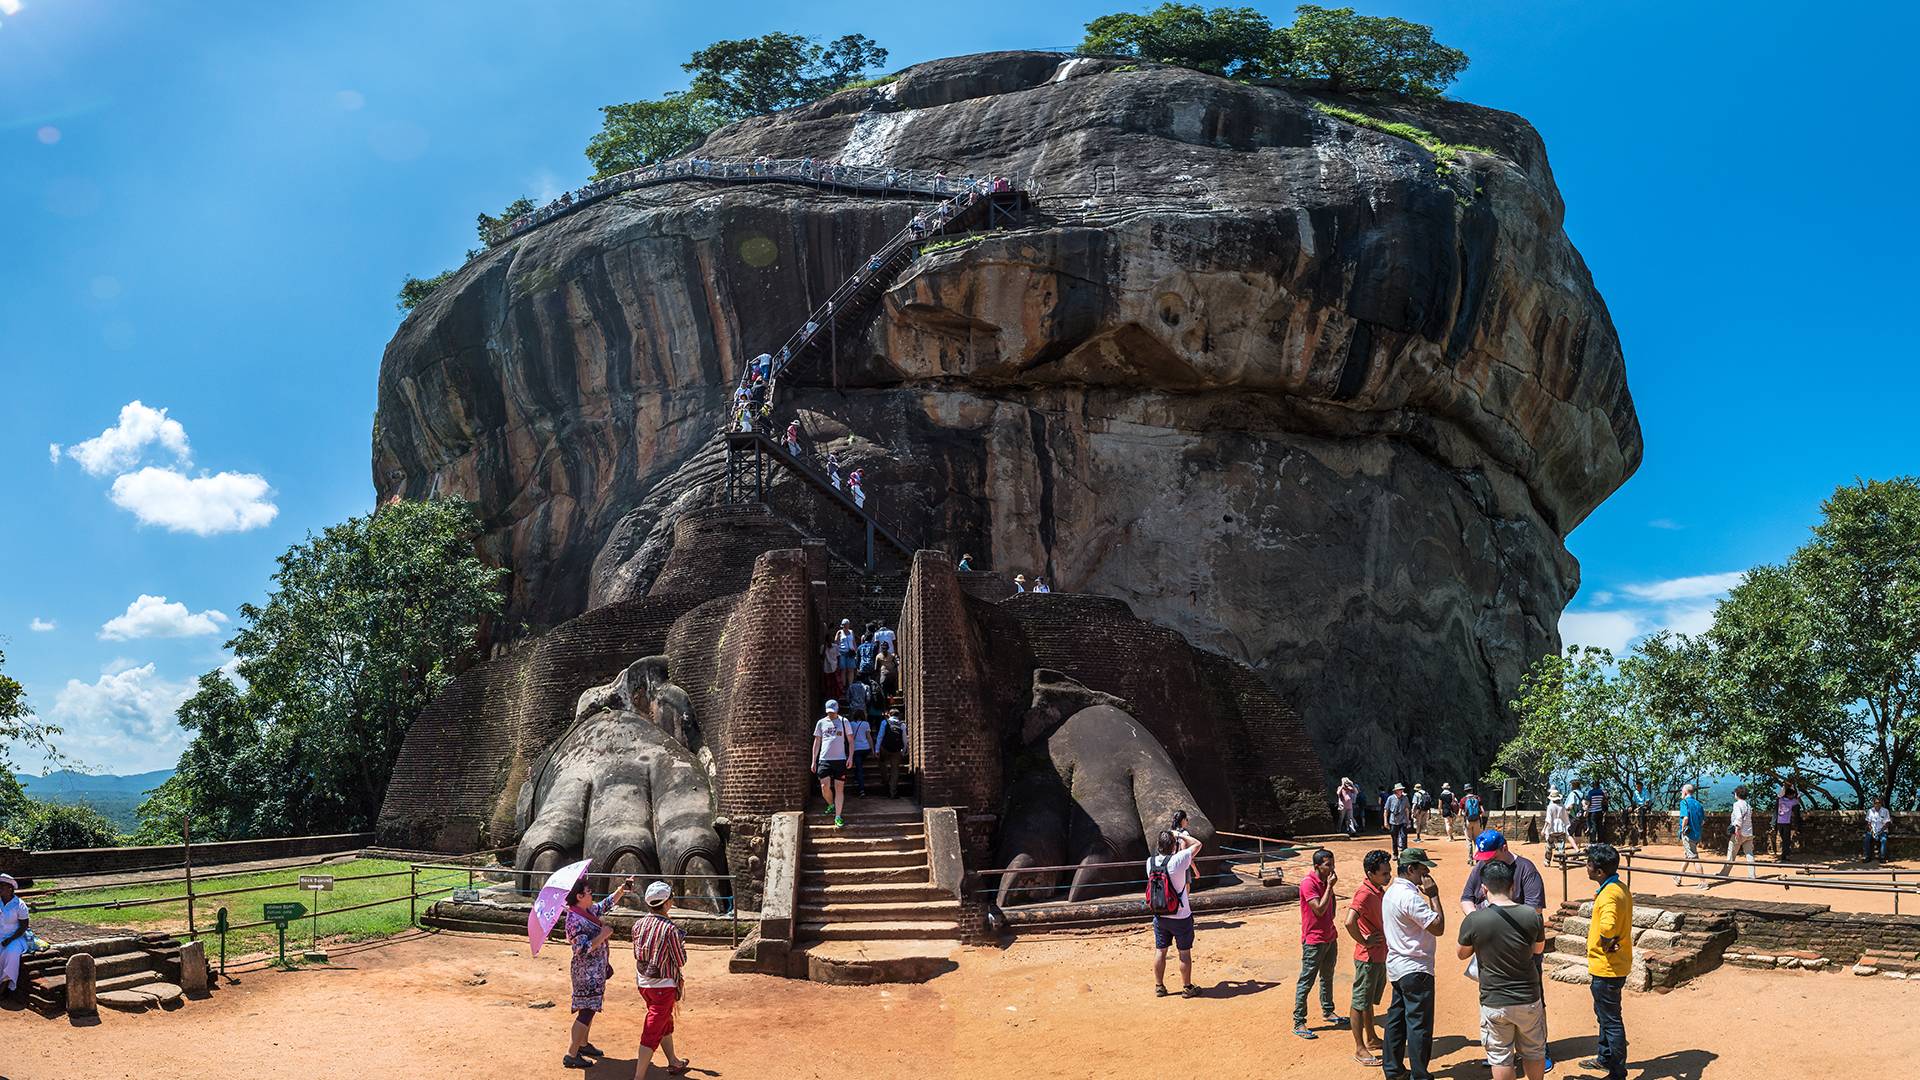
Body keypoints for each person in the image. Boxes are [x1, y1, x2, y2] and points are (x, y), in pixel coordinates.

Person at [1460, 829, 1551, 1073]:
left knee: (1532, 994)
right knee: (1496, 995)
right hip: (1490, 944)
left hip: (1523, 948)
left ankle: (1540, 1049)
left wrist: (1492, 921)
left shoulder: (1526, 870)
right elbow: (1466, 898)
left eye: (1491, 856)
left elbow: (1535, 912)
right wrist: (1479, 920)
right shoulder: (1481, 868)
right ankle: (1503, 1051)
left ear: (1505, 848)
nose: (1487, 862)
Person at [1381, 848, 1444, 1080]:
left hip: (1398, 967)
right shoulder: (1410, 896)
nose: (1426, 873)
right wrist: (1434, 895)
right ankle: (1420, 1075)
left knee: (1396, 1020)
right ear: (1410, 869)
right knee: (1419, 1025)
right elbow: (1438, 927)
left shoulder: (1391, 893)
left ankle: (1394, 1070)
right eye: (1422, 868)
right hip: (1416, 968)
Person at [561, 874, 635, 1069]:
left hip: (595, 970)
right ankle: (571, 1053)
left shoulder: (587, 910)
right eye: (588, 892)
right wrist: (603, 935)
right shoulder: (573, 919)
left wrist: (622, 890)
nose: (591, 894)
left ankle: (582, 1045)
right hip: (586, 972)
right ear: (579, 896)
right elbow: (581, 949)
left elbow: (605, 905)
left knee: (590, 1008)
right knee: (586, 1011)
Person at [1582, 843, 1632, 1080]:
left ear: (1599, 871)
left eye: (1589, 864)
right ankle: (1604, 1057)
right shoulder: (1619, 887)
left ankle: (1617, 1071)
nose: (1587, 867)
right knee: (1603, 1013)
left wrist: (1605, 942)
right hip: (1615, 963)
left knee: (1611, 1020)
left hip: (1607, 967)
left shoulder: (1610, 895)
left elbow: (1609, 926)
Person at [632, 880, 691, 1077]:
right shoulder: (670, 929)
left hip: (644, 983)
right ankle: (638, 1076)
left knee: (664, 1021)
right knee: (652, 1031)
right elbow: (680, 960)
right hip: (663, 986)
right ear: (666, 903)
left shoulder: (638, 925)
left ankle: (673, 1061)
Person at [1293, 848, 1349, 1039]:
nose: (1332, 868)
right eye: (1328, 865)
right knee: (1306, 980)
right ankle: (1299, 1021)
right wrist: (1330, 888)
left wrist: (1329, 888)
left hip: (1329, 937)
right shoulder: (1308, 884)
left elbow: (1331, 913)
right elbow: (1318, 909)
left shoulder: (1325, 882)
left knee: (1327, 976)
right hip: (1313, 940)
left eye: (1333, 864)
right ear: (1317, 866)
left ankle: (1328, 1010)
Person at [1344, 849, 1393, 1067]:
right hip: (1368, 957)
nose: (1388, 876)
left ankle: (1371, 1038)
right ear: (1371, 873)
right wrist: (1364, 940)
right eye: (1384, 873)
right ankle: (1359, 1048)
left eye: (1389, 871)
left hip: (1378, 955)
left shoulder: (1378, 890)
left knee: (1368, 1001)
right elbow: (1349, 921)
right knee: (1359, 1001)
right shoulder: (1364, 893)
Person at [1147, 828, 1203, 998]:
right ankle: (1187, 987)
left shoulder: (1150, 862)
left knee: (1160, 950)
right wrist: (1179, 834)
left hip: (1160, 915)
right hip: (1180, 916)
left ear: (1158, 845)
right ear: (1173, 846)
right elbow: (1198, 844)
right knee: (1184, 953)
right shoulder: (1178, 860)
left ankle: (1159, 986)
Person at [812, 700, 853, 827]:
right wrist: (814, 760)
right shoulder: (821, 722)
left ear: (837, 710)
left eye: (832, 712)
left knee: (839, 789)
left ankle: (838, 816)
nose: (830, 714)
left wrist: (850, 757)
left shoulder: (844, 721)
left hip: (840, 760)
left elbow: (851, 741)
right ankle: (831, 804)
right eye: (828, 712)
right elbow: (817, 742)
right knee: (824, 787)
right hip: (824, 759)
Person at [1717, 785, 1757, 880]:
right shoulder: (1748, 805)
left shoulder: (1737, 804)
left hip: (1739, 833)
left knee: (1731, 854)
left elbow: (1738, 818)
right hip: (1749, 833)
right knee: (1749, 854)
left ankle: (1724, 874)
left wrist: (1737, 830)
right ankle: (1752, 875)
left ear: (1737, 794)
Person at [0, 874, 28, 999]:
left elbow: (23, 927)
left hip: (15, 937)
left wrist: (10, 939)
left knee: (11, 954)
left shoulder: (19, 904)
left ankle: (4, 986)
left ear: (10, 888)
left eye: (2, 886)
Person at [1675, 784, 1706, 885]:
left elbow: (1685, 818)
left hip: (1688, 835)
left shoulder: (1684, 802)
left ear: (1685, 792)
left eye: (1681, 791)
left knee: (1694, 858)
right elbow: (1702, 822)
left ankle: (1703, 882)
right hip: (1697, 834)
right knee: (1688, 855)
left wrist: (1682, 830)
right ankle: (1678, 877)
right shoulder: (1698, 804)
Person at [875, 707, 909, 798]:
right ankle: (892, 791)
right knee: (895, 770)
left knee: (882, 764)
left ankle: (885, 782)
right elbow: (905, 740)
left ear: (889, 714)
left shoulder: (884, 722)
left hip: (884, 748)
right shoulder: (902, 724)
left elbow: (880, 736)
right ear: (899, 716)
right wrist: (904, 750)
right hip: (896, 750)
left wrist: (877, 750)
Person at [846, 690, 874, 797]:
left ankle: (861, 789)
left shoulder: (851, 724)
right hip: (865, 748)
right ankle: (858, 779)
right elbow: (869, 737)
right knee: (859, 765)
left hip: (856, 749)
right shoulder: (866, 724)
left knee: (859, 768)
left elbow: (849, 738)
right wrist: (872, 749)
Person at [1544, 790, 1571, 866]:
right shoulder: (1562, 807)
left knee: (1549, 846)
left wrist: (1544, 829)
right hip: (1561, 828)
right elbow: (1565, 818)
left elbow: (1548, 819)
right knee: (1561, 847)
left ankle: (1547, 861)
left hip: (1552, 829)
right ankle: (1561, 864)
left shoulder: (1550, 807)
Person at [1775, 782, 1802, 858]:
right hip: (1786, 822)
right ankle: (1785, 854)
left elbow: (1780, 794)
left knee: (1784, 838)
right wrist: (1794, 786)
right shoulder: (1792, 802)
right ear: (1790, 795)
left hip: (1779, 822)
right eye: (1792, 795)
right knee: (1786, 839)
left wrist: (1785, 786)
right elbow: (1798, 797)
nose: (1793, 796)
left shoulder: (1780, 800)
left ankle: (1785, 853)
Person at [1386, 784, 1412, 855]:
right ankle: (1395, 854)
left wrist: (1408, 820)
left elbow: (1407, 809)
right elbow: (1386, 810)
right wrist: (1386, 822)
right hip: (1393, 821)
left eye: (1402, 789)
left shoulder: (1405, 798)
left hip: (1403, 820)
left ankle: (1405, 854)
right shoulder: (1390, 798)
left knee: (1404, 837)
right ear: (1396, 791)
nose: (1402, 791)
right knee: (1394, 838)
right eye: (1400, 789)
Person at [1864, 796, 1893, 862]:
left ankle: (1882, 857)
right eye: (1876, 803)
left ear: (1881, 803)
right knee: (1866, 840)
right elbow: (1869, 823)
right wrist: (1872, 831)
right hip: (1872, 831)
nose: (1877, 804)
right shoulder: (1870, 811)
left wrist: (1880, 832)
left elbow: (1887, 823)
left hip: (1882, 831)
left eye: (1879, 802)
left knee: (1884, 840)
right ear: (1873, 803)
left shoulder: (1885, 811)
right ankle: (1867, 857)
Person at [1585, 780, 1608, 845]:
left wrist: (1587, 810)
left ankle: (1593, 841)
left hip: (1592, 812)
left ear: (1594, 785)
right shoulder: (1601, 792)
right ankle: (1600, 841)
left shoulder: (1591, 792)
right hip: (1599, 811)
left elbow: (1589, 802)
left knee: (1593, 826)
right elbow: (1604, 801)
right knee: (1600, 826)